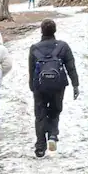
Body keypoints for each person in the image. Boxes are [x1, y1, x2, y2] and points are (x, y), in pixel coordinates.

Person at [29, 18, 79, 157]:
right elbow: (71, 67)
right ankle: (52, 135)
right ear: (54, 30)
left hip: (40, 86)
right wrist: (75, 84)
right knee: (55, 110)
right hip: (58, 84)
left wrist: (32, 86)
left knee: (40, 114)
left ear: (41, 31)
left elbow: (31, 70)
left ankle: (40, 146)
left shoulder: (34, 48)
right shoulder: (63, 46)